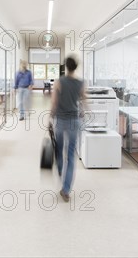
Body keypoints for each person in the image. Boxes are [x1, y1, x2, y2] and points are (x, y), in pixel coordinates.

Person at [50, 55, 86, 202]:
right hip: (74, 121)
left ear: (65, 66)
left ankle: (60, 172)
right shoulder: (80, 83)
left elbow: (53, 103)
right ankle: (66, 189)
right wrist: (83, 111)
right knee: (70, 155)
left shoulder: (59, 82)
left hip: (60, 120)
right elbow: (83, 100)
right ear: (76, 67)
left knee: (59, 150)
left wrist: (49, 118)